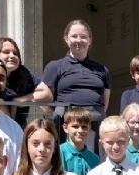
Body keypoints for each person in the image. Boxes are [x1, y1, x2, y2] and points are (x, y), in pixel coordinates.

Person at [42, 19, 111, 157]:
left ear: (90, 40)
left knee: (94, 163)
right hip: (66, 120)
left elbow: (104, 103)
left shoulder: (102, 69)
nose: (78, 40)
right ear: (66, 39)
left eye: (83, 36)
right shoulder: (55, 66)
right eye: (74, 36)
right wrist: (60, 114)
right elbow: (46, 102)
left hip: (94, 122)